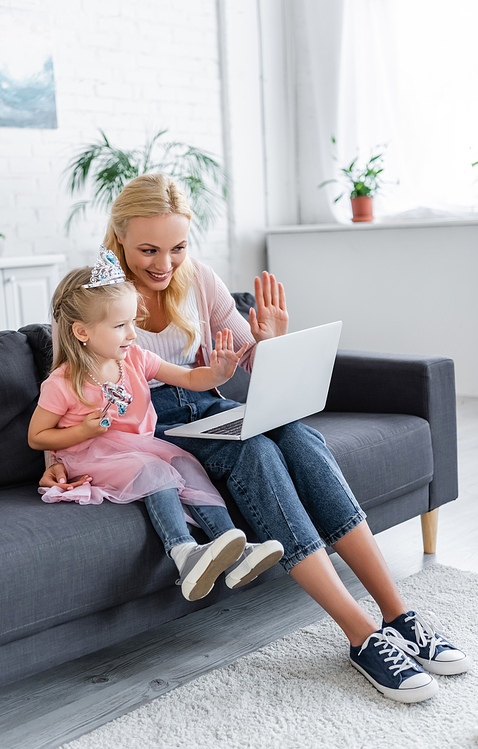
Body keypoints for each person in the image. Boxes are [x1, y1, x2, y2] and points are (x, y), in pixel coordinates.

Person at [41, 174, 470, 703]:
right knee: (257, 453)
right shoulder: (96, 294)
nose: (163, 264)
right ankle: (362, 636)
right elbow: (66, 384)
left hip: (210, 405)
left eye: (176, 248)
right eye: (148, 249)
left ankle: (400, 616)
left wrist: (268, 341)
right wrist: (56, 453)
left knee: (300, 436)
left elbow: (245, 357)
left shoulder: (195, 278)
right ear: (119, 236)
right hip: (155, 427)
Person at [29, 250, 284, 603]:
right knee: (153, 469)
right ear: (81, 332)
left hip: (137, 446)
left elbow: (188, 376)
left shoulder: (134, 359)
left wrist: (218, 373)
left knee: (186, 465)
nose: (132, 334)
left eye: (133, 322)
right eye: (120, 326)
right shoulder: (63, 382)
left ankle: (234, 548)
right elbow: (37, 436)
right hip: (88, 456)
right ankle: (183, 552)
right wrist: (83, 431)